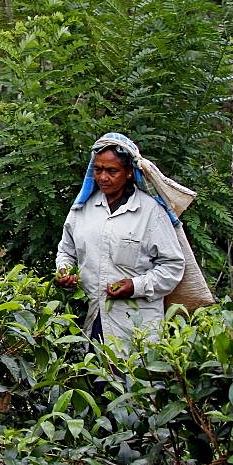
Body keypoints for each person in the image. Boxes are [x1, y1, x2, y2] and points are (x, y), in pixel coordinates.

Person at [55, 133, 186, 347]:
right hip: (92, 319)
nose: (103, 177)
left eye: (112, 171)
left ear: (128, 173)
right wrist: (65, 272)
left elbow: (172, 267)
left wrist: (135, 286)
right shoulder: (82, 209)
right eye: (98, 170)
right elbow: (66, 251)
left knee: (135, 376)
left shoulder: (150, 212)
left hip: (136, 325)